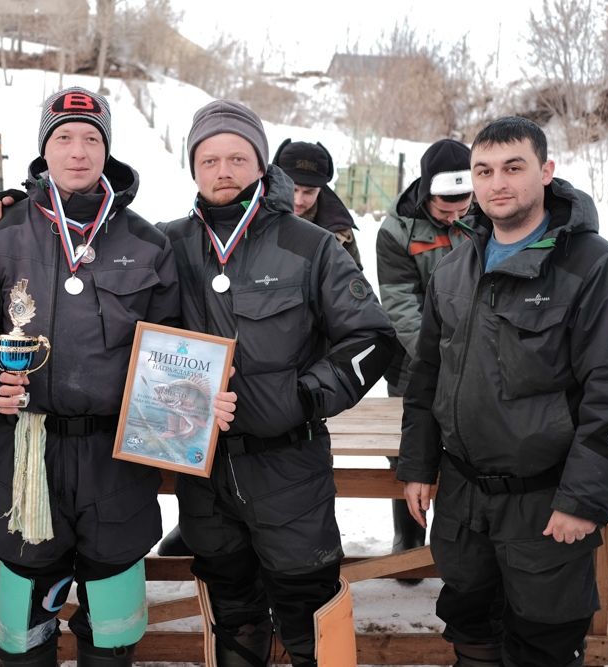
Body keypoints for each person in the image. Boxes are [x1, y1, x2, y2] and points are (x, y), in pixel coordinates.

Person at [0, 86, 235, 667]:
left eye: (91, 139)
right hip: (27, 453)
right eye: (64, 138)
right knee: (24, 623)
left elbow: (176, 340)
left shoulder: (147, 242)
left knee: (114, 624)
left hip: (116, 459)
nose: (78, 151)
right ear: (44, 149)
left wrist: (193, 398)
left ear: (107, 150)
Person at [397, 116, 608, 667]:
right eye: (484, 171)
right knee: (469, 625)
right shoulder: (453, 270)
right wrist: (418, 466)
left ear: (546, 171)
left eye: (514, 167)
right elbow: (425, 379)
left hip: (544, 503)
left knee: (542, 642)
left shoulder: (596, 267)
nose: (498, 183)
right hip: (464, 500)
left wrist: (584, 500)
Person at [159, 99, 399, 667]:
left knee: (307, 608)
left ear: (262, 165)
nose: (224, 171)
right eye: (210, 159)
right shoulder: (164, 244)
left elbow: (373, 338)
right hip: (204, 472)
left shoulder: (309, 246)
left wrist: (303, 394)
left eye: (238, 158)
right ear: (193, 168)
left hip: (288, 469)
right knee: (231, 608)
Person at [375, 138, 476, 564]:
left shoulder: (488, 217)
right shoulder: (396, 231)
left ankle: (462, 537)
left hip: (478, 358)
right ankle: (409, 536)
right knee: (409, 445)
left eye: (463, 206)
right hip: (413, 361)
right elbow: (401, 306)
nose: (455, 217)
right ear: (425, 192)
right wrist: (443, 361)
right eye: (444, 209)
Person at [272, 139, 363, 268]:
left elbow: (353, 280)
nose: (298, 200)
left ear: (321, 189)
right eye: (292, 189)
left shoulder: (340, 231)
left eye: (309, 192)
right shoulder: (252, 216)